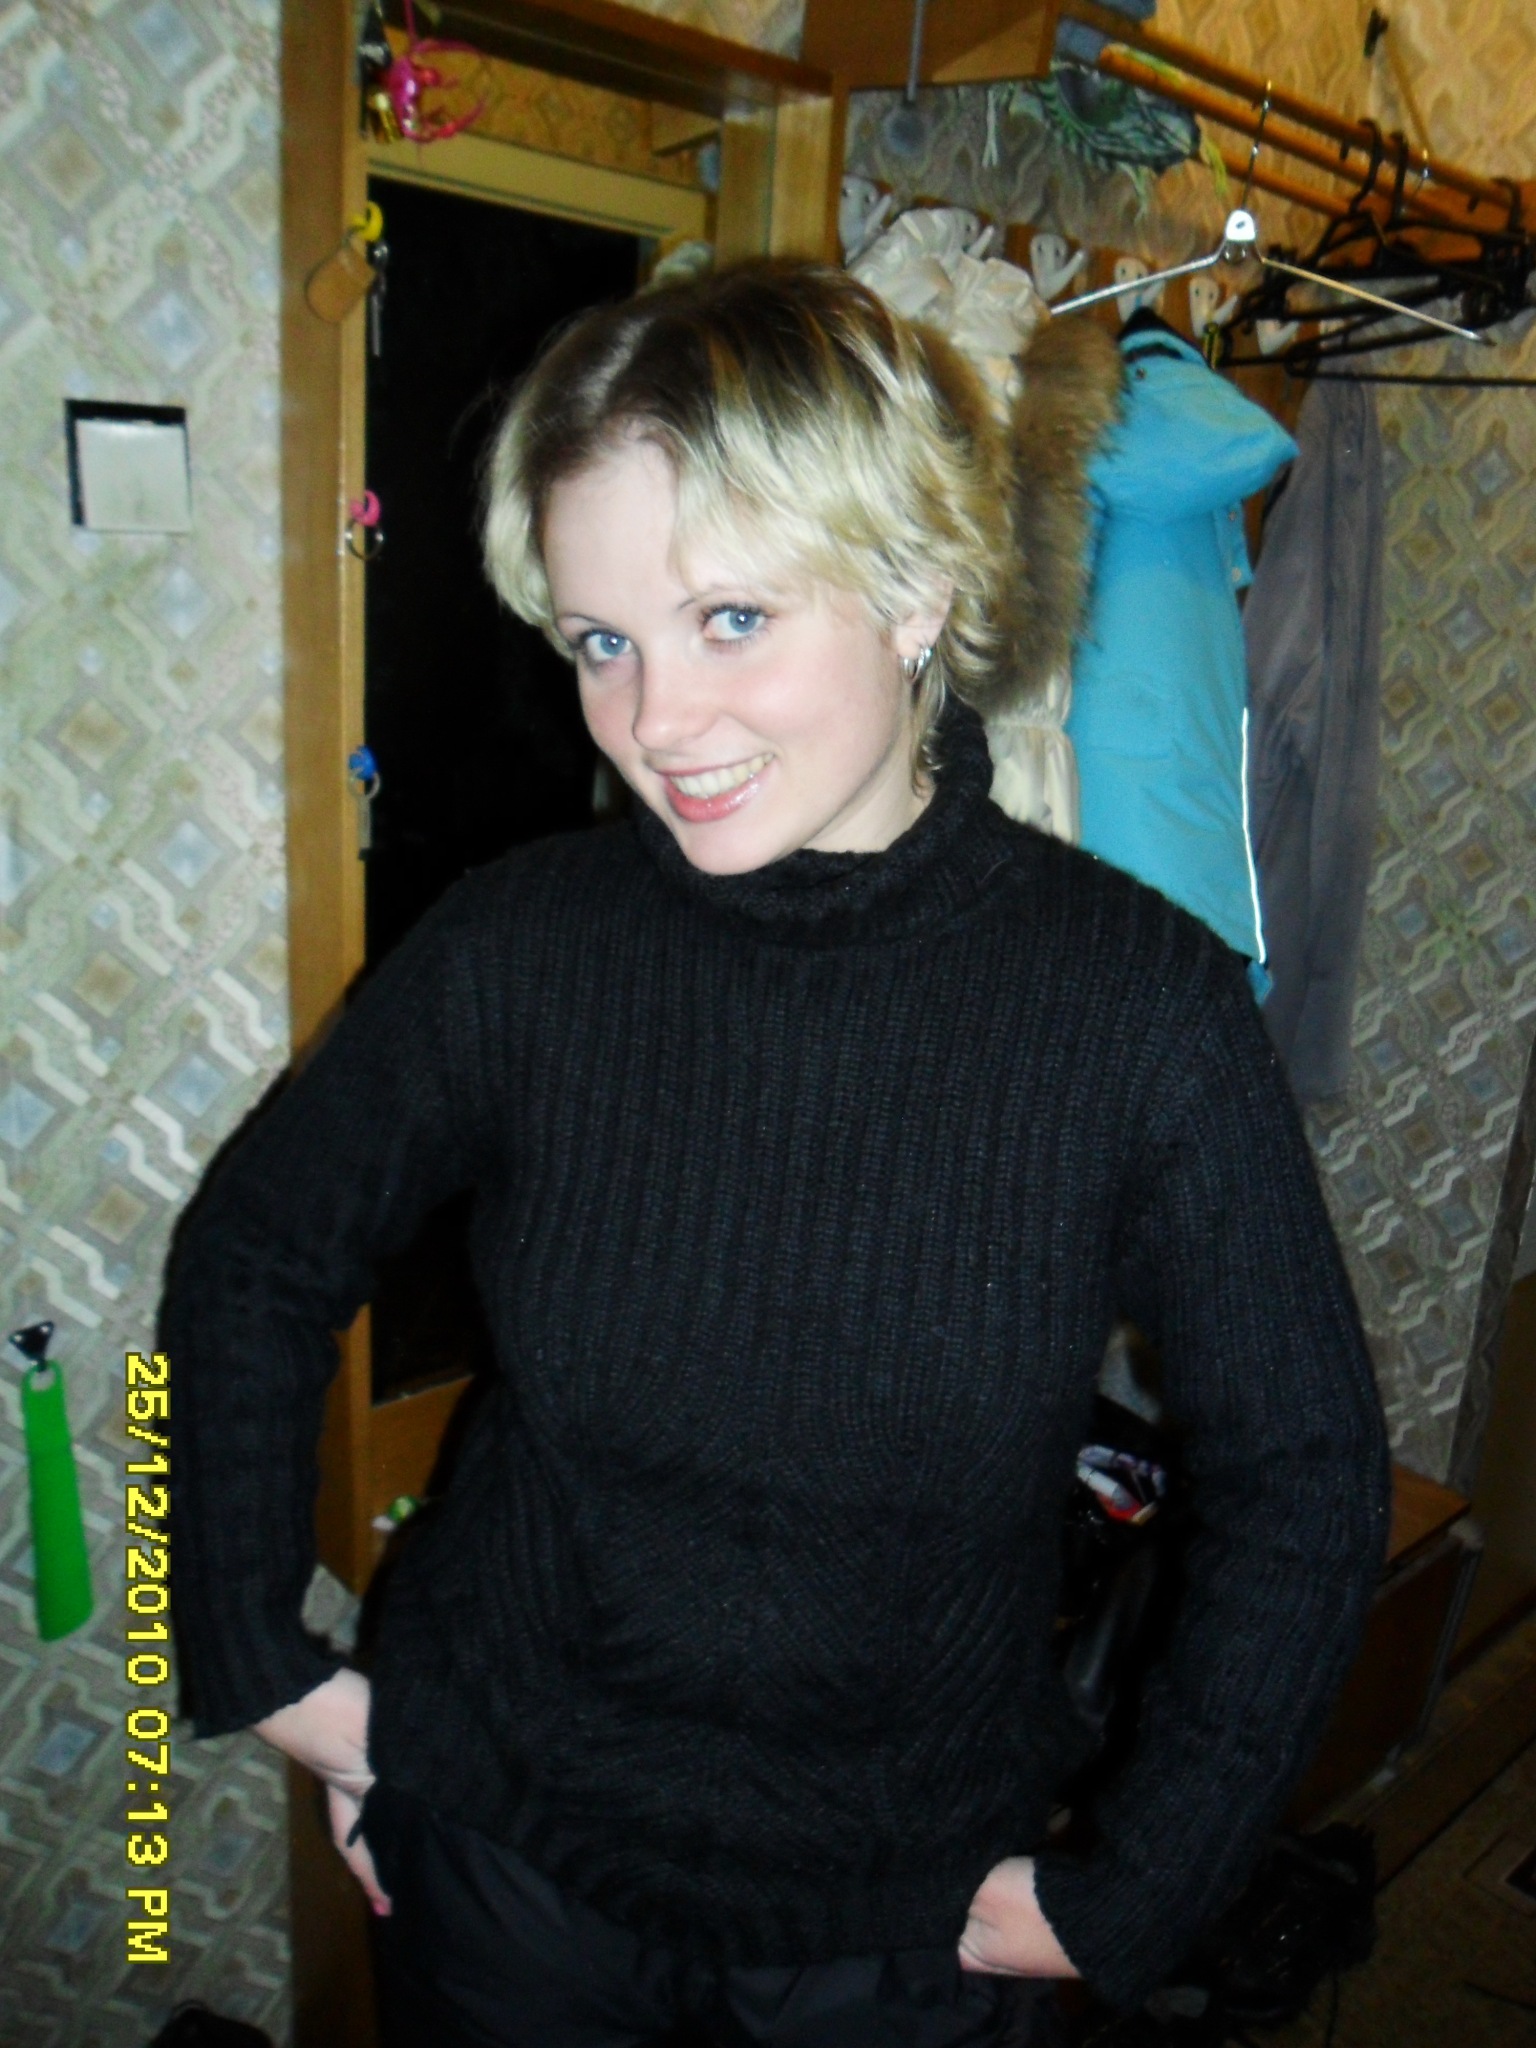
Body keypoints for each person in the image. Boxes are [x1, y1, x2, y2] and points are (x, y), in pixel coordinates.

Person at [160, 262, 1390, 2048]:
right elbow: (253, 1253)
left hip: (895, 1937)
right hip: (505, 1878)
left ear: (917, 589)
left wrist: (1143, 1881)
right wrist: (251, 1648)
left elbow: (1307, 1471)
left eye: (729, 617)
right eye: (603, 640)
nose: (655, 720)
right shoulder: (524, 947)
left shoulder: (1137, 1011)